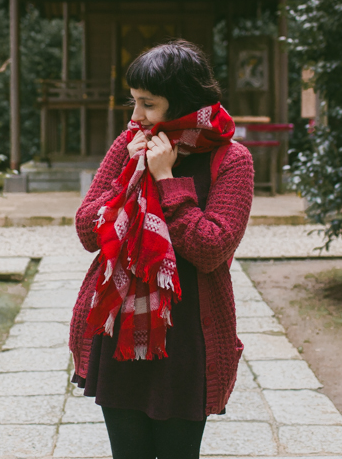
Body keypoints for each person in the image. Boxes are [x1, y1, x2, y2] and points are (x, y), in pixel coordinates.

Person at [69, 39, 255, 459]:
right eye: (133, 103)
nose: (136, 117)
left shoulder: (232, 159)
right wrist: (126, 176)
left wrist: (167, 180)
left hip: (188, 338)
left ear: (184, 103)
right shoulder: (130, 143)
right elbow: (86, 230)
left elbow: (210, 249)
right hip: (120, 332)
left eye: (148, 104)